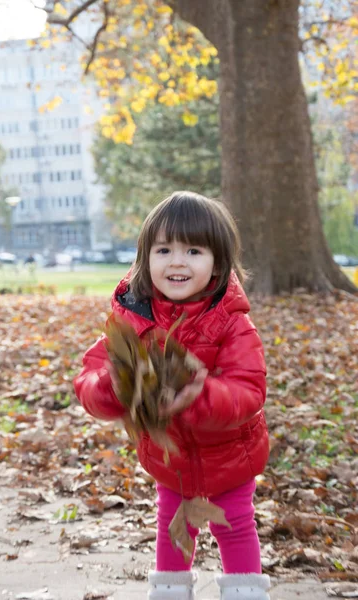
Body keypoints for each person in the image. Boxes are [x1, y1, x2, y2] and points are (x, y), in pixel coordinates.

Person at [74, 191, 270, 600]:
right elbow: (89, 378)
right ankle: (170, 591)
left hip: (230, 457)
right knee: (172, 524)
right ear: (146, 259)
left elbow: (248, 392)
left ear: (218, 262)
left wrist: (200, 396)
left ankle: (245, 592)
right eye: (164, 249)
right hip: (170, 461)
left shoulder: (232, 324)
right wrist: (111, 387)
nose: (177, 261)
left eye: (193, 250)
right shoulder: (132, 318)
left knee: (234, 524)